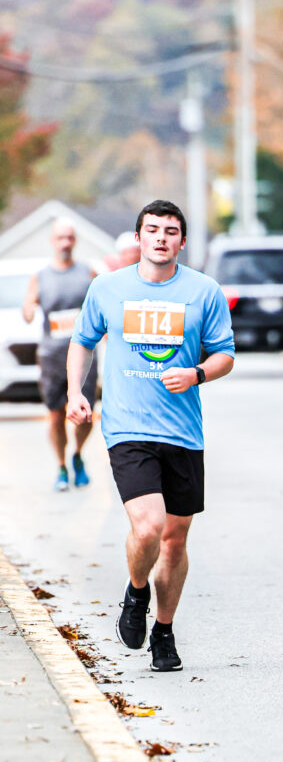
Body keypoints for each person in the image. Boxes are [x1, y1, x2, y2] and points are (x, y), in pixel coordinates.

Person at [66, 199, 235, 672]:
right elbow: (82, 340)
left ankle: (164, 630)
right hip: (127, 428)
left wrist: (197, 374)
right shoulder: (108, 288)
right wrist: (75, 393)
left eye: (171, 231)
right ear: (138, 237)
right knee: (149, 527)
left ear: (182, 241)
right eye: (153, 230)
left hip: (182, 433)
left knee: (176, 541)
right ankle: (135, 592)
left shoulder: (204, 292)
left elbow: (225, 354)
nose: (161, 238)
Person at [22, 217, 97, 491]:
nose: (65, 243)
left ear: (74, 241)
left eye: (69, 238)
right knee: (55, 414)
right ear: (53, 242)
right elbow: (28, 307)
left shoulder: (88, 273)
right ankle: (61, 467)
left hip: (85, 356)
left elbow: (103, 307)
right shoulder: (41, 276)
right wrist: (29, 310)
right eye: (60, 238)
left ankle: (77, 454)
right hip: (52, 356)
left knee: (86, 414)